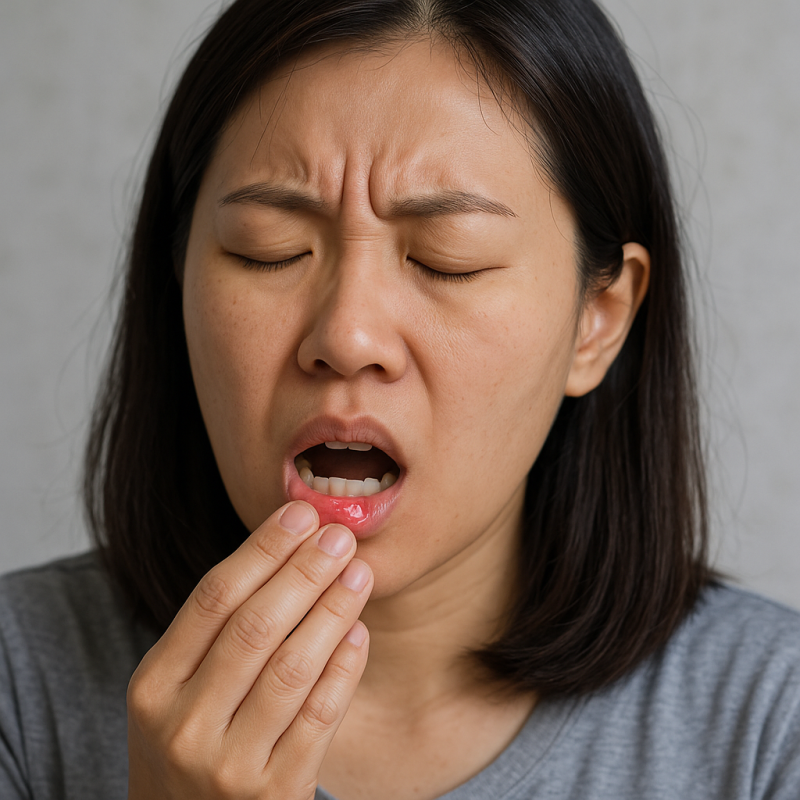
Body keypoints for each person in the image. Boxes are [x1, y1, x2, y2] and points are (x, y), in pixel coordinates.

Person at [1, 0, 799, 798]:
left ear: (598, 321)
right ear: (178, 277)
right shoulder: (18, 684)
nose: (347, 337)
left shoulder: (772, 728)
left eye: (449, 259)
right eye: (268, 249)